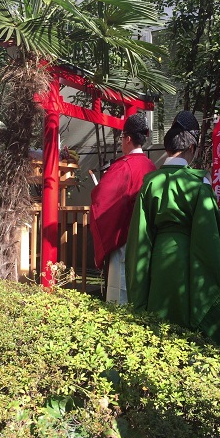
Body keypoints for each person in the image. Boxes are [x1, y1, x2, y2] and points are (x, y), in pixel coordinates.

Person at [125, 110, 220, 357]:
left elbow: (139, 237)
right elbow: (208, 238)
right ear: (192, 148)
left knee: (159, 328)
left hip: (157, 263)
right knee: (189, 325)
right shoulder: (199, 183)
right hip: (190, 262)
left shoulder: (150, 182)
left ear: (167, 148)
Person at [90, 113, 156, 304]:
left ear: (127, 138)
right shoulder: (151, 167)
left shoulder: (123, 167)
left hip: (124, 242)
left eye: (121, 138)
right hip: (147, 242)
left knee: (120, 295)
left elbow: (102, 202)